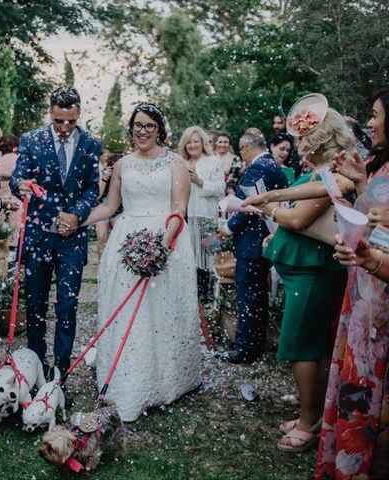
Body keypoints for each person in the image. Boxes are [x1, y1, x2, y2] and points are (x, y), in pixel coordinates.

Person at [81, 102, 200, 422]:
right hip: (126, 240)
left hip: (166, 239)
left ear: (160, 129)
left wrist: (162, 245)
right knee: (124, 307)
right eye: (137, 125)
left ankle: (165, 378)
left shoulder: (176, 164)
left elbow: (179, 208)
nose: (142, 131)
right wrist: (77, 221)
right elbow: (109, 207)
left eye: (149, 125)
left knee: (160, 309)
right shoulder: (122, 166)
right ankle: (125, 376)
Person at [261, 108, 352, 452]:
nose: (299, 144)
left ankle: (308, 423)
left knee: (304, 346)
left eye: (304, 139)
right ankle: (312, 413)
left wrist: (268, 208)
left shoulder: (331, 175)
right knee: (307, 344)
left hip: (315, 272)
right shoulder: (318, 172)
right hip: (305, 269)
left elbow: (298, 219)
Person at [10, 86, 101, 377]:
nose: (64, 128)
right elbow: (17, 177)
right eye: (59, 121)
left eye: (70, 122)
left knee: (67, 306)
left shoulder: (91, 144)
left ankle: (60, 372)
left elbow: (92, 187)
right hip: (39, 237)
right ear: (51, 112)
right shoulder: (31, 140)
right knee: (35, 305)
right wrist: (19, 185)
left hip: (72, 239)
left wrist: (77, 215)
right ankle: (36, 369)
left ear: (79, 114)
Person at [223, 130, 288, 364]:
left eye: (241, 149)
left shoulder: (260, 168)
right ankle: (255, 343)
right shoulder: (271, 165)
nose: (241, 154)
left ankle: (245, 348)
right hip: (260, 238)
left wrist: (228, 228)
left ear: (248, 147)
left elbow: (245, 205)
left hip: (252, 240)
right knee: (257, 293)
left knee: (248, 293)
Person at [178, 126, 225, 301]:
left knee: (210, 256)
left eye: (196, 141)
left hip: (207, 216)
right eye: (189, 142)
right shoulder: (180, 163)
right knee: (188, 257)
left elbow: (221, 189)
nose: (192, 145)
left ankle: (209, 297)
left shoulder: (214, 161)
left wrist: (199, 181)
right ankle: (191, 295)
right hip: (185, 217)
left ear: (203, 143)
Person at [0, 135, 22, 244]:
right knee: (16, 232)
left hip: (2, 201)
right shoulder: (19, 160)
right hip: (18, 201)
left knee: (2, 234)